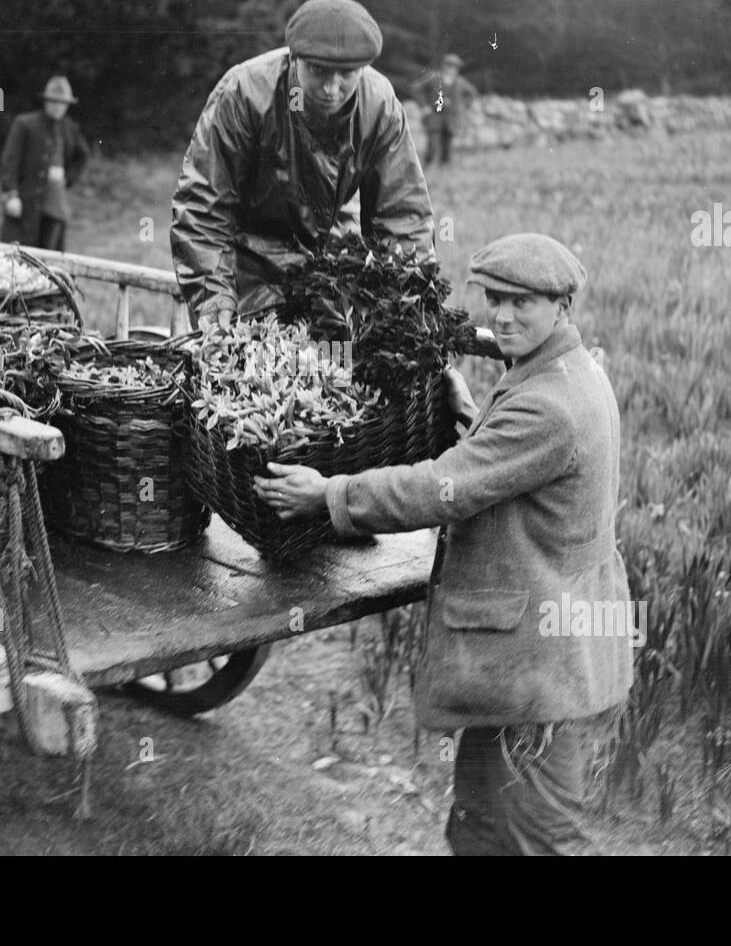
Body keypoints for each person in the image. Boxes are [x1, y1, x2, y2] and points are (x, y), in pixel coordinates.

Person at [254, 233, 634, 856]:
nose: (503, 316)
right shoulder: (567, 372)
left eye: (523, 303)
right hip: (535, 660)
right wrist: (472, 413)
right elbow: (508, 458)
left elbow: (442, 489)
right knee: (480, 828)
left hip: (536, 669)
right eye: (495, 299)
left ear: (562, 306)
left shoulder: (551, 407)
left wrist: (330, 495)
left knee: (535, 838)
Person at [171, 0, 436, 330]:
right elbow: (204, 206)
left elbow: (402, 217)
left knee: (340, 366)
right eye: (318, 71)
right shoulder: (245, 93)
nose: (331, 88)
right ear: (294, 59)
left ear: (363, 68)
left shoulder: (379, 103)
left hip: (332, 259)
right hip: (246, 261)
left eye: (347, 74)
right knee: (255, 371)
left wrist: (406, 304)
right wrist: (213, 295)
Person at [0, 76, 89, 252]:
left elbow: (82, 155)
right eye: (53, 101)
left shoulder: (69, 128)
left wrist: (67, 178)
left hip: (55, 202)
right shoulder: (25, 124)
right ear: (46, 101)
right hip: (27, 200)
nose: (58, 106)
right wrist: (11, 193)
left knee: (50, 259)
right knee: (20, 255)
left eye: (62, 102)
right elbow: (10, 162)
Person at [412, 53, 477, 167]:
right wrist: (423, 106)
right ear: (444, 66)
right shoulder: (434, 77)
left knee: (447, 145)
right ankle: (427, 165)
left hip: (451, 117)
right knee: (433, 144)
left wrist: (463, 106)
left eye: (455, 67)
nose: (452, 69)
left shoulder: (460, 82)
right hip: (434, 115)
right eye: (450, 66)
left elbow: (472, 93)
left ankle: (444, 168)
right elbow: (416, 89)